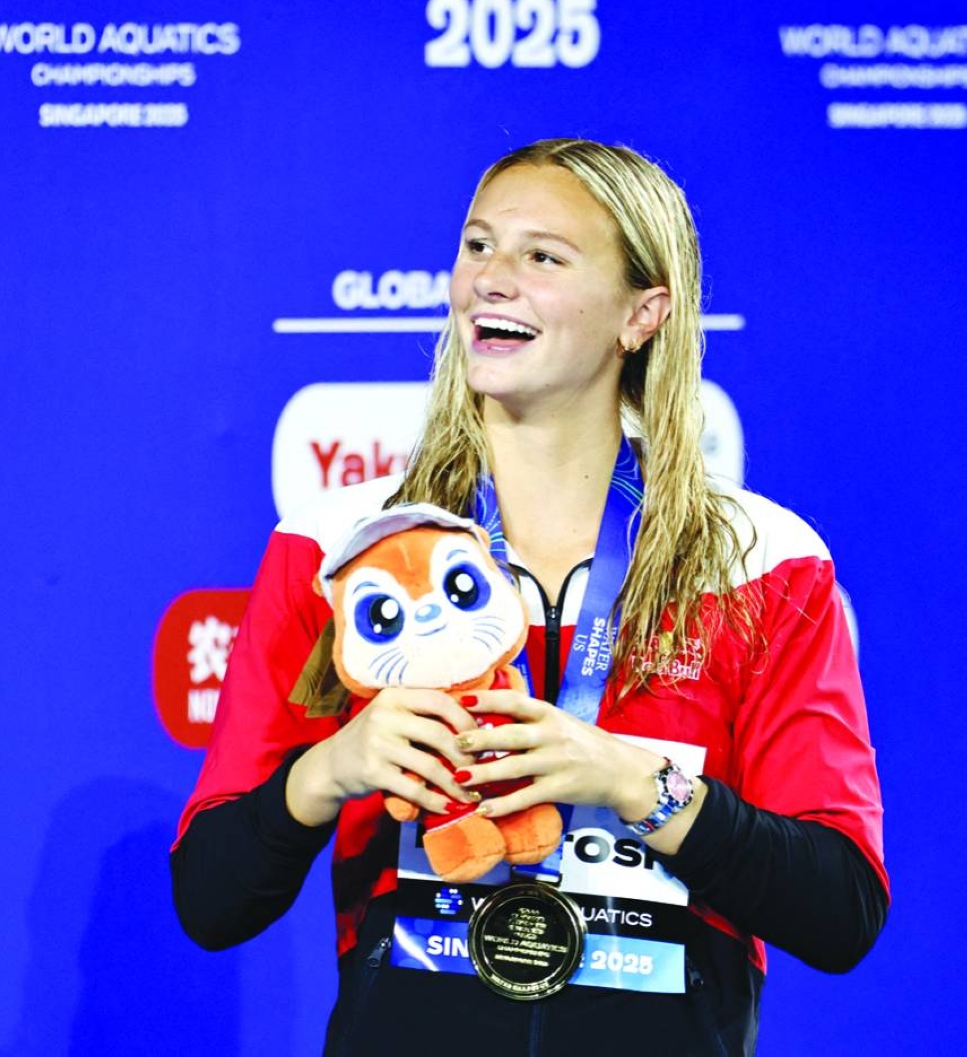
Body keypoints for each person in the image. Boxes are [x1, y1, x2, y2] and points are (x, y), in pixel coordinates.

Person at [172, 138, 888, 1055]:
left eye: (542, 256)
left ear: (643, 313)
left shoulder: (761, 562)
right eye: (478, 247)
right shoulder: (343, 547)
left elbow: (842, 912)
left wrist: (632, 783)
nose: (490, 281)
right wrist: (330, 771)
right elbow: (210, 901)